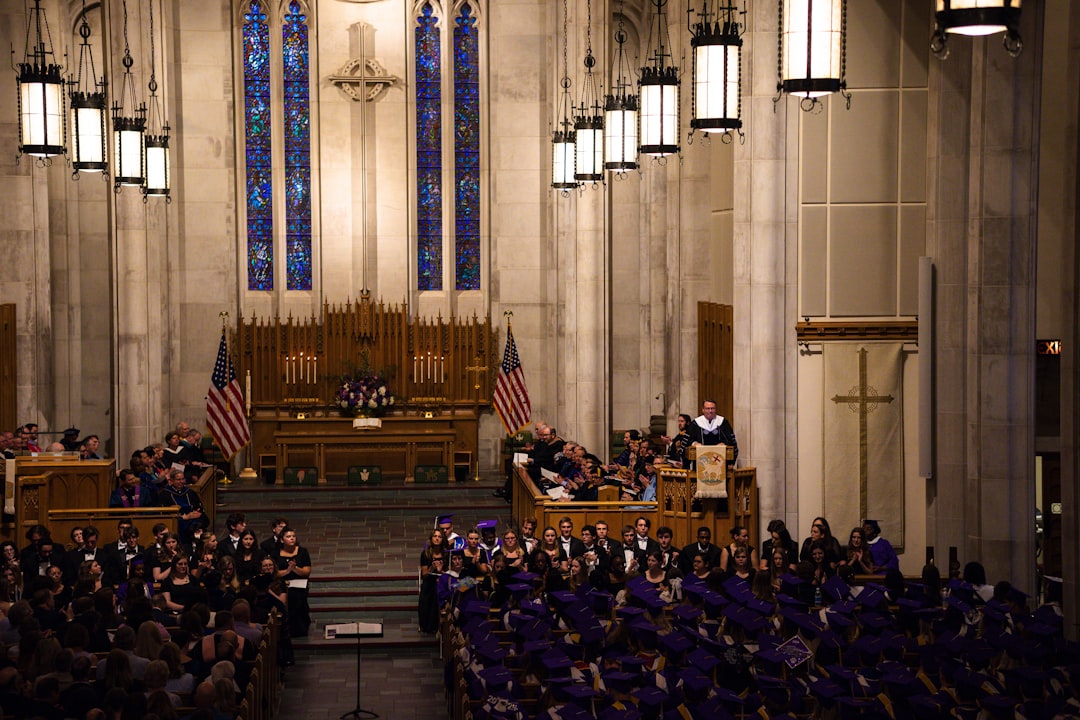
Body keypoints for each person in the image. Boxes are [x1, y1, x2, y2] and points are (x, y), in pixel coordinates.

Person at [273, 527, 312, 637]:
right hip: (281, 584)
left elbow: (306, 572)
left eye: (293, 536)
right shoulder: (275, 554)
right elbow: (273, 573)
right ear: (282, 540)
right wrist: (287, 571)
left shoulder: (302, 552)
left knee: (297, 597)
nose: (292, 539)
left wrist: (295, 569)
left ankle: (300, 628)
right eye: (288, 536)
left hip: (299, 584)